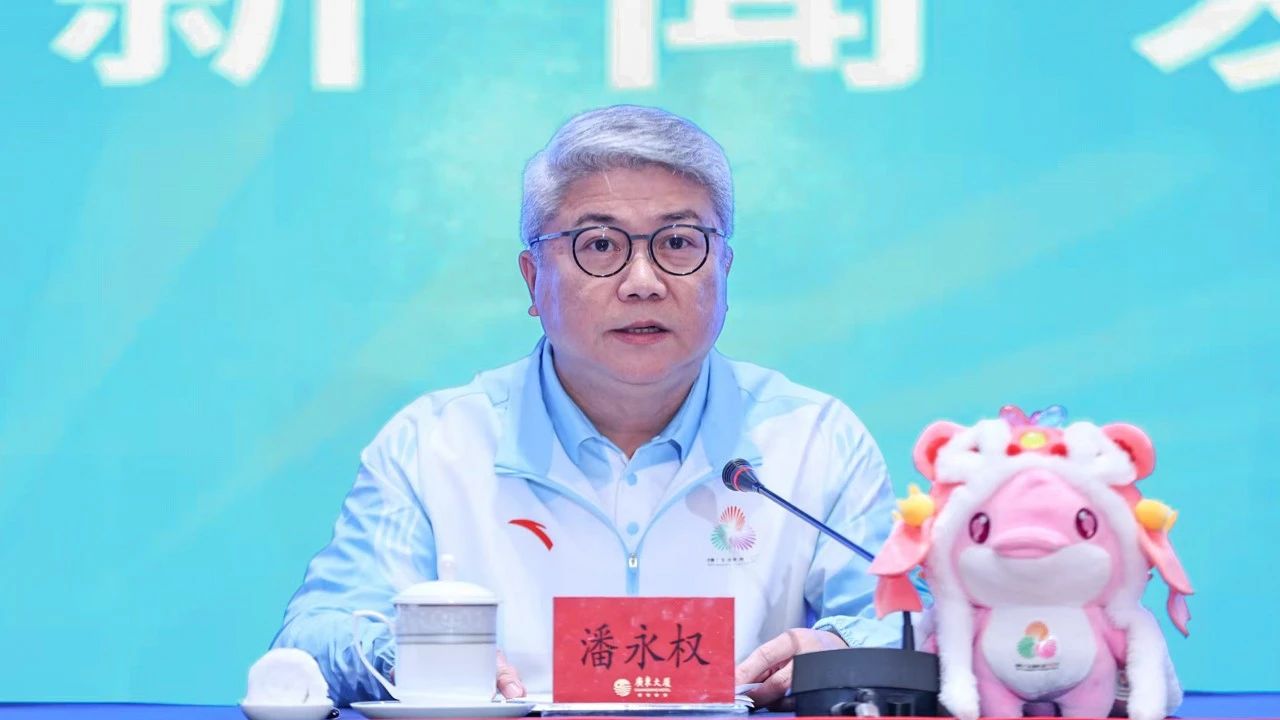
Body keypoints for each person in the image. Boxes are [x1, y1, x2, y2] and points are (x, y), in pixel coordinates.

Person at [271, 104, 903, 707]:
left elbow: (904, 623)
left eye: (679, 242)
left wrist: (838, 654)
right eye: (599, 245)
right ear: (532, 279)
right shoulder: (434, 444)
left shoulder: (814, 438)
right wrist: (412, 655)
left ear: (724, 270)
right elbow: (314, 636)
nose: (643, 282)